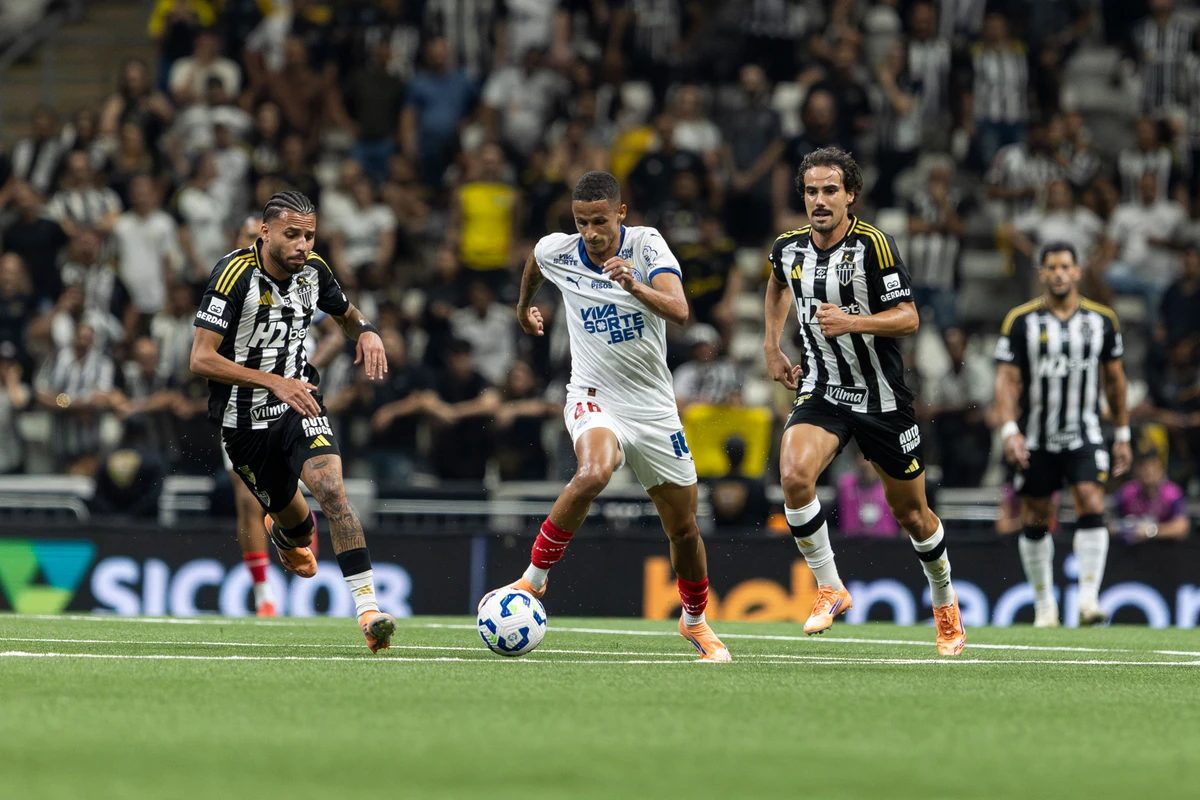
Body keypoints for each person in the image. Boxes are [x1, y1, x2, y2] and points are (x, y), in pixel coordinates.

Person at [487, 170, 731, 662]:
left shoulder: (646, 246)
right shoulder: (558, 249)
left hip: (654, 406)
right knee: (594, 470)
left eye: (600, 221)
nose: (591, 233)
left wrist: (635, 285)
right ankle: (534, 579)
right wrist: (522, 310)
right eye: (582, 223)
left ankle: (694, 621)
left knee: (683, 530)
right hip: (593, 394)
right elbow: (534, 263)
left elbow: (681, 311)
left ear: (621, 213)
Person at [763, 146, 965, 656]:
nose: (820, 200)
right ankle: (830, 588)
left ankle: (945, 606)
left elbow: (909, 318)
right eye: (811, 191)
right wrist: (771, 344)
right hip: (824, 389)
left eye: (830, 190)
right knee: (793, 475)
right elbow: (776, 285)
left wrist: (852, 321)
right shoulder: (788, 247)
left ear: (850, 195)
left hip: (881, 399)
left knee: (914, 516)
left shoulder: (874, 245)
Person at [189, 191, 396, 649]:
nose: (303, 245)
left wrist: (367, 331)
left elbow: (345, 313)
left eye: (309, 235)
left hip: (300, 404)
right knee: (300, 531)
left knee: (333, 491)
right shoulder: (232, 275)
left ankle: (368, 612)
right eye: (292, 235)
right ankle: (284, 533)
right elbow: (200, 359)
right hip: (243, 426)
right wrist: (271, 381)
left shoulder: (315, 271)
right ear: (265, 232)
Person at [993, 241, 1132, 627]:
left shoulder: (1102, 320)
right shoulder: (1020, 321)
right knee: (1036, 513)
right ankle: (1045, 606)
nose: (1057, 273)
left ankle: (1088, 601)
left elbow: (1116, 381)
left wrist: (1122, 432)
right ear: (1042, 273)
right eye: (1050, 266)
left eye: (1064, 266)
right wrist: (1009, 431)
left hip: (1084, 432)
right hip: (1036, 436)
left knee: (1090, 499)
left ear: (1077, 271)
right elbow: (1006, 380)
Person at [1114, 452, 1190, 542]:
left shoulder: (1172, 494)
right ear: (1137, 471)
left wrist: (1150, 531)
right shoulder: (1127, 492)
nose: (1149, 472)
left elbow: (1181, 527)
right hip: (1131, 549)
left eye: (1154, 468)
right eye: (1145, 468)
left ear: (1162, 471)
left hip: (1164, 548)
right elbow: (1112, 524)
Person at [837, 448, 902, 538]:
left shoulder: (891, 486)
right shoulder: (846, 486)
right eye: (862, 458)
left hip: (886, 544)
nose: (866, 464)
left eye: (870, 459)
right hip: (852, 543)